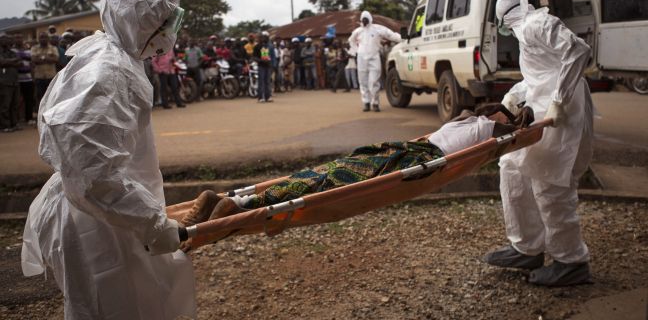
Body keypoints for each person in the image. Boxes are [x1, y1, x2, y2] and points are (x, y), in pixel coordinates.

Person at [21, 0, 196, 319]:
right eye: (161, 23)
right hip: (97, 222)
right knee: (112, 306)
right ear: (138, 22)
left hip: (112, 213)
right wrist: (151, 223)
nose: (168, 34)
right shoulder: (107, 72)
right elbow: (91, 174)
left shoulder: (117, 57)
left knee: (140, 302)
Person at [178, 104, 531, 251]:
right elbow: (516, 127)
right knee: (328, 183)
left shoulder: (466, 121)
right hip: (410, 158)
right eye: (501, 110)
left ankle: (236, 202)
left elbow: (512, 127)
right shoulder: (485, 126)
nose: (502, 113)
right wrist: (518, 118)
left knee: (321, 176)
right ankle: (243, 205)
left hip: (404, 151)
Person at [483, 0, 594, 287]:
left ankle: (571, 262)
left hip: (562, 114)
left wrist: (559, 99)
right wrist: (512, 97)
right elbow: (539, 76)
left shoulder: (536, 24)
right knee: (512, 167)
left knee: (551, 184)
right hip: (545, 109)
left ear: (506, 19)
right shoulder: (527, 32)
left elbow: (579, 51)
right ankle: (526, 247)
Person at [349, 11, 401, 112]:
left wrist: (402, 38)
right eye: (362, 19)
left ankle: (375, 103)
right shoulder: (357, 31)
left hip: (374, 57)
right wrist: (356, 51)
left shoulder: (377, 29)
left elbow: (391, 35)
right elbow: (351, 41)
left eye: (366, 19)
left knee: (374, 81)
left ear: (369, 19)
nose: (364, 21)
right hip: (361, 58)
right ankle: (366, 103)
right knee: (363, 81)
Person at [30, 31, 59, 108]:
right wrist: (48, 58)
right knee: (40, 98)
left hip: (51, 77)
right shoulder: (34, 48)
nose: (43, 39)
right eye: (41, 37)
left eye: (45, 37)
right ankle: (40, 115)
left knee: (52, 97)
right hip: (39, 77)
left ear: (48, 38)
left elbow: (55, 59)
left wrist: (41, 58)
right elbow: (34, 60)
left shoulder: (53, 48)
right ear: (38, 39)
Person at [0, 32, 21, 132]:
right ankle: (5, 125)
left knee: (15, 104)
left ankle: (14, 124)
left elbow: (20, 63)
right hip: (4, 82)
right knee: (5, 105)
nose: (6, 41)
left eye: (7, 39)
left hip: (14, 81)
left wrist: (8, 62)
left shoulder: (11, 52)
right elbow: (2, 62)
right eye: (4, 39)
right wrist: (13, 61)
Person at [12, 35, 35, 125]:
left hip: (28, 79)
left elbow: (32, 64)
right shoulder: (12, 51)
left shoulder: (29, 51)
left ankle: (28, 118)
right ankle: (16, 119)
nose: (18, 40)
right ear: (14, 40)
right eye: (17, 38)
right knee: (16, 101)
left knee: (28, 100)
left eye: (20, 38)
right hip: (16, 79)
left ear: (23, 40)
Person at [253, 31, 274, 103]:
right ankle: (260, 97)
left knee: (267, 81)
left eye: (264, 37)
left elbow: (266, 56)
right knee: (261, 81)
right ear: (259, 38)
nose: (263, 38)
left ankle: (268, 96)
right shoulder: (256, 47)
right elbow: (254, 57)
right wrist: (261, 60)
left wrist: (269, 62)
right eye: (261, 37)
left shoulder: (265, 46)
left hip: (267, 65)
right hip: (261, 66)